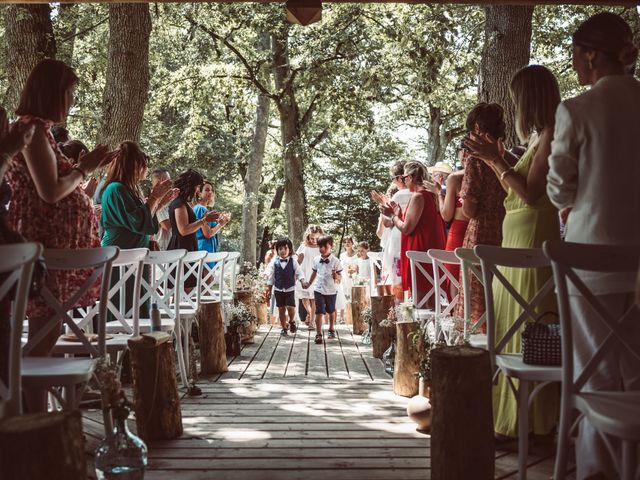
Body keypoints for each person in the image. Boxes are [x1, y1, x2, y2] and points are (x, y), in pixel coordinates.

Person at [546, 12, 640, 479]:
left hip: (591, 267)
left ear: (587, 55)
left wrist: (573, 201)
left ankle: (596, 472)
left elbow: (560, 189)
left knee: (594, 380)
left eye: (575, 55)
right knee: (637, 383)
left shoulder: (577, 110)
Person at [4, 59, 115, 411]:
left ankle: (41, 422)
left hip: (56, 248)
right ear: (52, 92)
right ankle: (33, 424)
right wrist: (86, 167)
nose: (71, 101)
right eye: (69, 93)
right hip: (43, 246)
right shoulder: (32, 130)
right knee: (41, 338)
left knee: (46, 336)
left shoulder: (43, 131)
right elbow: (50, 191)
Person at [466, 64, 562, 440]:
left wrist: (493, 159)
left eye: (516, 98)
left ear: (528, 99)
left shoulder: (553, 134)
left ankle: (534, 421)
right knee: (511, 329)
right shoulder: (540, 136)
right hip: (516, 241)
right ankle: (510, 417)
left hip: (535, 239)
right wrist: (498, 158)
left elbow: (530, 192)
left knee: (530, 325)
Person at [452, 103, 508, 325]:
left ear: (476, 128)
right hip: (505, 230)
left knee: (478, 296)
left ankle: (479, 341)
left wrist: (463, 199)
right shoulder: (508, 157)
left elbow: (470, 210)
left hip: (481, 234)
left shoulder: (476, 160)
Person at [377, 161, 446, 306]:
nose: (404, 180)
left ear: (410, 177)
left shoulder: (419, 196)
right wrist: (398, 213)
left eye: (405, 177)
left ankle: (422, 327)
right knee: (430, 297)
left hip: (420, 250)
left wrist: (392, 215)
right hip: (430, 247)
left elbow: (406, 228)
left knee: (421, 298)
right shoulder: (430, 195)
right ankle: (430, 327)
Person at [101, 142, 177, 249]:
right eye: (144, 164)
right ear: (134, 165)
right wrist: (154, 197)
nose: (147, 169)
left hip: (135, 254)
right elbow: (137, 221)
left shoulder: (132, 189)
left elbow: (144, 216)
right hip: (119, 254)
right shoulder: (116, 189)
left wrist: (160, 204)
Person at [425, 145, 469, 292]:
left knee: (454, 277)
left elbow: (446, 215)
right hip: (486, 228)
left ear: (463, 155)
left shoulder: (455, 178)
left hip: (460, 230)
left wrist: (438, 193)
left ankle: (456, 313)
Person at [168, 169, 219, 290]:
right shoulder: (179, 204)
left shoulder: (185, 203)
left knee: (189, 289)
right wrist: (204, 220)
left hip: (188, 247)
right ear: (191, 185)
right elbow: (183, 230)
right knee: (184, 289)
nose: (197, 190)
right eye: (197, 186)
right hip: (181, 248)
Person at [375, 162, 413, 300]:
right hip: (412, 237)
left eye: (393, 178)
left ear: (398, 178)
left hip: (397, 238)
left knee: (396, 276)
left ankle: (398, 308)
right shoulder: (417, 193)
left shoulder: (398, 196)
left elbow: (387, 222)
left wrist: (383, 204)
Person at [264, 237, 308, 336]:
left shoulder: (293, 261)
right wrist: (267, 284)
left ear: (290, 250)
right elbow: (270, 273)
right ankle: (284, 328)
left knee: (290, 307)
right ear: (277, 250)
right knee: (281, 309)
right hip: (278, 289)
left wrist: (302, 281)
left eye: (285, 248)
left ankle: (291, 321)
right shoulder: (274, 262)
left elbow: (299, 272)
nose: (283, 251)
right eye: (280, 249)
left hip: (290, 288)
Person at [307, 235, 342, 345]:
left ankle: (331, 329)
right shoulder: (316, 259)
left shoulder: (335, 261)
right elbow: (314, 272)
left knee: (331, 311)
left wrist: (335, 275)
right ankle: (318, 334)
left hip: (331, 290)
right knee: (319, 311)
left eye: (325, 246)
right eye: (320, 246)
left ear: (331, 246)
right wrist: (309, 283)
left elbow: (340, 278)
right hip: (318, 289)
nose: (322, 249)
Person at [296, 224, 323, 329]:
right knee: (304, 297)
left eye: (317, 238)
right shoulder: (303, 246)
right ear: (308, 236)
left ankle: (312, 321)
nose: (314, 240)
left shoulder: (321, 247)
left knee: (314, 298)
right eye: (312, 238)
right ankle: (310, 312)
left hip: (316, 274)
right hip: (304, 273)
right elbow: (298, 261)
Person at [193, 180, 231, 257]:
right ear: (199, 193)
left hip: (205, 246)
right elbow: (208, 234)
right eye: (207, 190)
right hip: (204, 247)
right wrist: (221, 224)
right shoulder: (201, 209)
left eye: (211, 190)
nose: (210, 192)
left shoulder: (201, 208)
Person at [151, 169, 172, 250]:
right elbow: (166, 225)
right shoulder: (157, 201)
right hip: (163, 247)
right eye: (168, 180)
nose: (170, 183)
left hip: (169, 245)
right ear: (161, 181)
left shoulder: (167, 200)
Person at [338, 236, 358, 321]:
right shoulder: (342, 255)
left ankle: (353, 316)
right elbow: (340, 267)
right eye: (345, 242)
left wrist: (354, 271)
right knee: (343, 296)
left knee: (353, 296)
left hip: (353, 277)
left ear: (352, 243)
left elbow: (358, 267)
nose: (347, 243)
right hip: (344, 278)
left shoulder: (357, 255)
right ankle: (342, 317)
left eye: (349, 242)